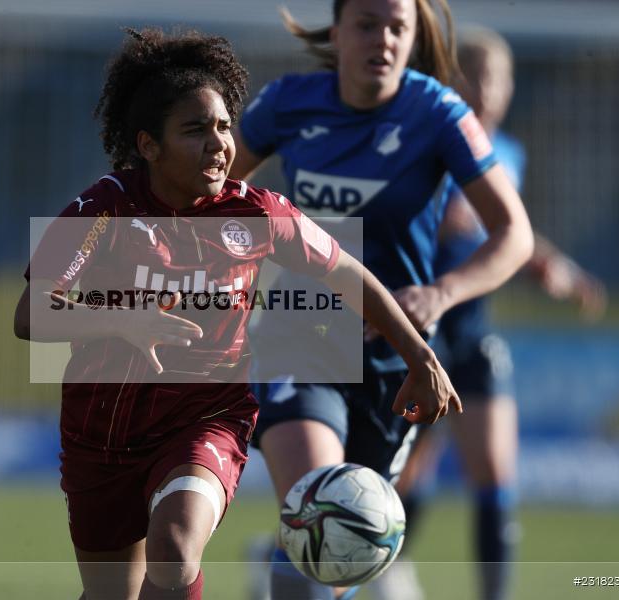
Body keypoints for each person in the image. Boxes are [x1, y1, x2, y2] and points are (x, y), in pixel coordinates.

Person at [13, 27, 461, 600]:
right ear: (148, 145)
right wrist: (123, 320)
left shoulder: (258, 212)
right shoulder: (101, 209)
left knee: (174, 551)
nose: (219, 144)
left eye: (224, 126)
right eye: (195, 130)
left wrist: (418, 354)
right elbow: (32, 314)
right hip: (100, 432)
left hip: (206, 417)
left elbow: (349, 274)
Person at [228, 1, 535, 599]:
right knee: (320, 507)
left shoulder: (439, 111)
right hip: (303, 334)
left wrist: (441, 293)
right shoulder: (286, 103)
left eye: (399, 28)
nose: (385, 39)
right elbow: (208, 198)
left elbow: (514, 234)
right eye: (368, 24)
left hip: (397, 359)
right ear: (338, 30)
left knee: (346, 553)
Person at [374, 27, 608, 600]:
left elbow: (511, 232)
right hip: (415, 327)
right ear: (450, 83)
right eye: (470, 76)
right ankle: (336, 565)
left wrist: (561, 270)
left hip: (472, 327)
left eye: (494, 78)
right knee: (400, 477)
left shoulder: (510, 155)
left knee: (494, 471)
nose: (483, 89)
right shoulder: (428, 141)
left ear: (508, 88)